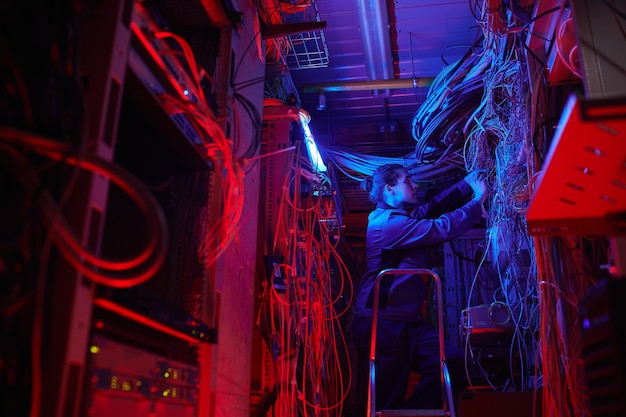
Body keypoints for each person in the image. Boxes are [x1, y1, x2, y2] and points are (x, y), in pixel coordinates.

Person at [351, 163, 488, 416]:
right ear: (390, 189)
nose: (415, 185)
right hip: (382, 324)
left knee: (451, 361)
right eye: (407, 181)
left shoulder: (400, 218)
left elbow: (431, 209)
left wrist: (466, 184)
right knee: (387, 400)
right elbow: (440, 227)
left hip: (408, 322)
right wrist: (478, 201)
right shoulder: (387, 224)